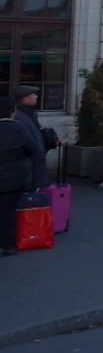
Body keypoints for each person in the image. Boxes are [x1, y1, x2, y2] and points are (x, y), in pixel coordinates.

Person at [0, 96, 39, 256]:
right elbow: (33, 149)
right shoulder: (19, 128)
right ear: (12, 112)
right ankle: (7, 246)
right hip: (15, 178)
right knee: (8, 211)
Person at [13, 86, 47, 190]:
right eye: (33, 95)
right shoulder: (16, 115)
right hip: (27, 162)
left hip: (36, 159)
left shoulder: (32, 113)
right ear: (25, 99)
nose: (36, 97)